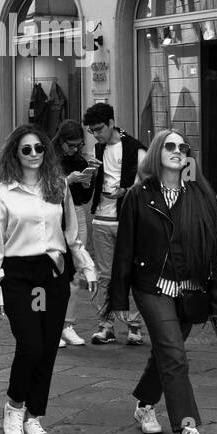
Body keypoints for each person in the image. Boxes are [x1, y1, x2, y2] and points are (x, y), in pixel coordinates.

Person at [107, 131, 217, 434]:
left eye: (182, 147)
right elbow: (124, 250)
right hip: (152, 288)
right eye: (170, 146)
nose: (177, 151)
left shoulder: (200, 196)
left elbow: (211, 252)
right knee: (174, 354)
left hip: (190, 291)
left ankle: (145, 404)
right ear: (157, 152)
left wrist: (216, 297)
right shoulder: (137, 196)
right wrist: (118, 301)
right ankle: (189, 429)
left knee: (165, 352)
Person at [0, 126, 97, 434]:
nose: (34, 155)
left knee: (47, 348)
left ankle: (35, 417)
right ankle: (14, 406)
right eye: (26, 150)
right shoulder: (4, 192)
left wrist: (86, 266)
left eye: (39, 149)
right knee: (30, 343)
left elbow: (71, 233)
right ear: (15, 155)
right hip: (19, 273)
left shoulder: (58, 186)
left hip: (53, 271)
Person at [82, 102, 146, 346]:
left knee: (132, 273)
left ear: (111, 123)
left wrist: (126, 191)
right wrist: (88, 175)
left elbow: (148, 185)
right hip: (101, 218)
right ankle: (105, 325)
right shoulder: (97, 151)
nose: (96, 135)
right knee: (104, 276)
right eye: (92, 131)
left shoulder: (136, 149)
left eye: (99, 129)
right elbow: (90, 187)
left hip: (127, 220)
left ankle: (134, 326)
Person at [50, 120, 97, 347]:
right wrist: (68, 181)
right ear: (61, 141)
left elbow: (84, 199)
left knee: (76, 270)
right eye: (71, 145)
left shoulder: (79, 159)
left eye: (79, 145)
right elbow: (44, 191)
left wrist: (88, 181)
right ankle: (50, 326)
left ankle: (66, 324)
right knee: (52, 270)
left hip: (76, 213)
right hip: (52, 214)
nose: (76, 149)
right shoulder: (47, 159)